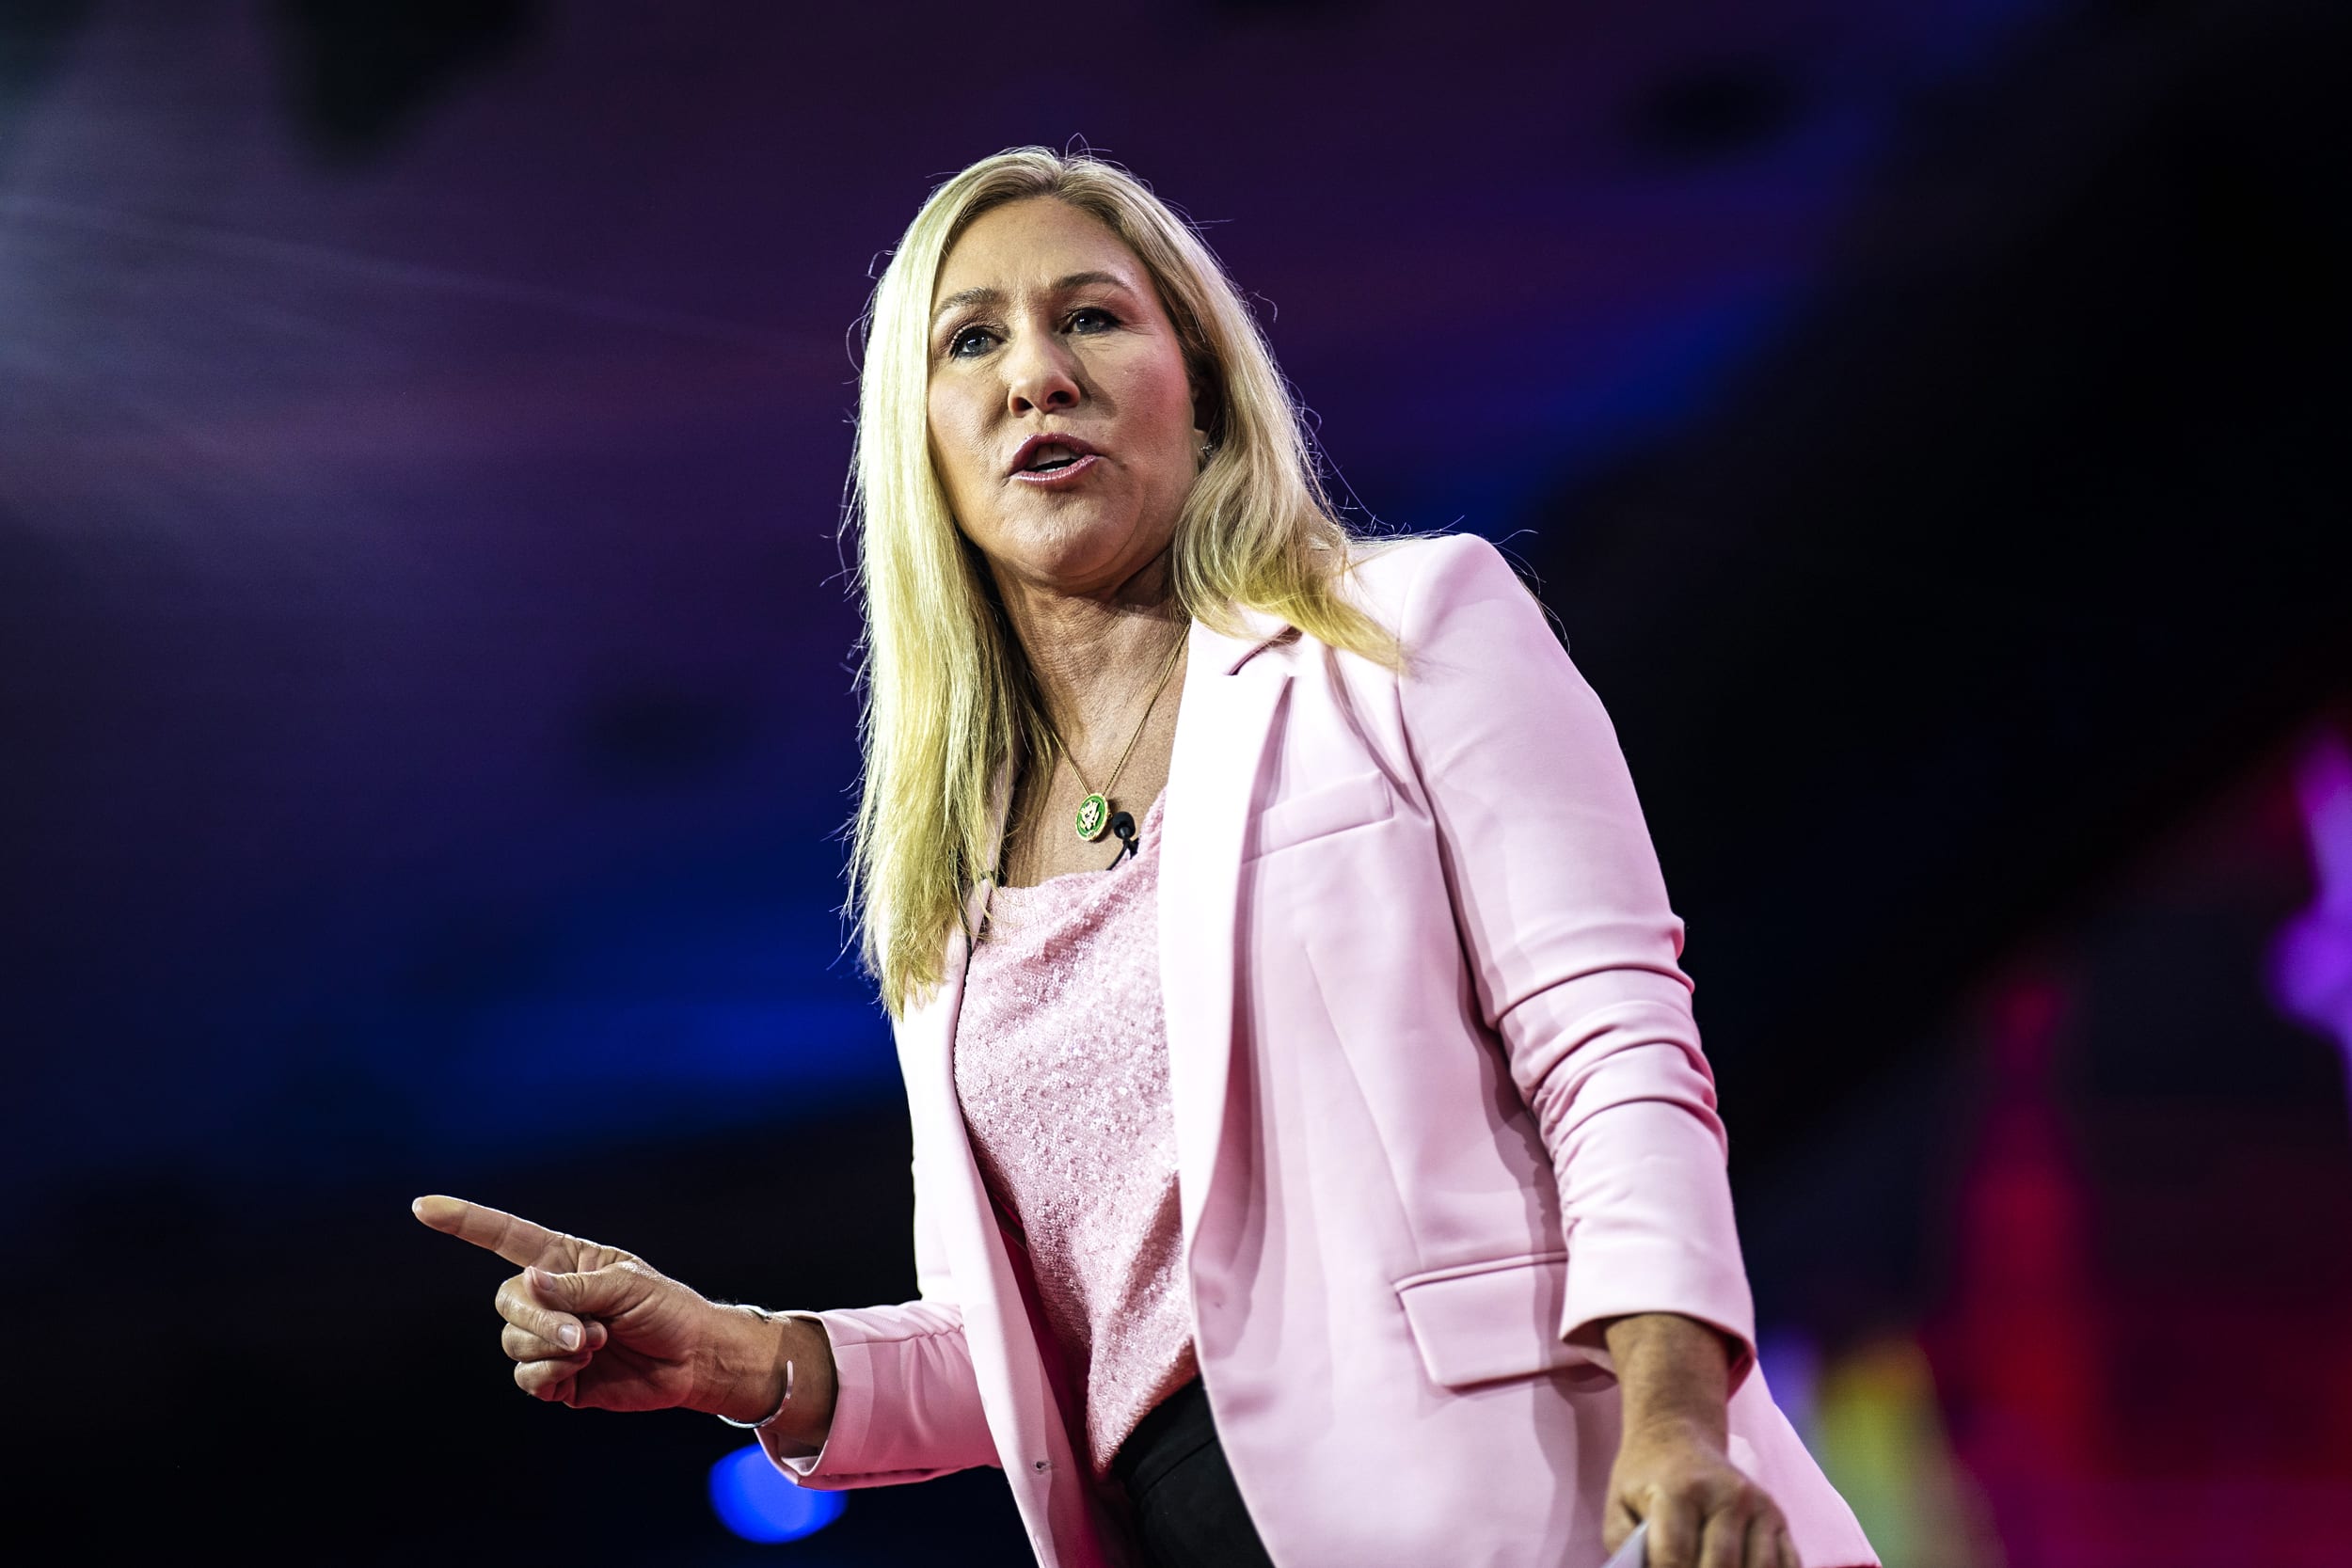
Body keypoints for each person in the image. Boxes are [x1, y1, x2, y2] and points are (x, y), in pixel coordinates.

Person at [415, 147, 1878, 1568]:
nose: (1035, 373)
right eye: (971, 339)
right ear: (922, 444)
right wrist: (749, 1360)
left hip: (1536, 1500)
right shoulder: (947, 888)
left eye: (1093, 316)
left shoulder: (1409, 632)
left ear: (1208, 394)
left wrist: (1681, 1418)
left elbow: (1613, 1050)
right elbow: (1073, 1343)